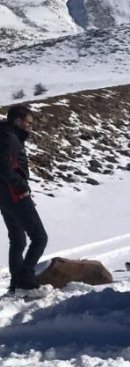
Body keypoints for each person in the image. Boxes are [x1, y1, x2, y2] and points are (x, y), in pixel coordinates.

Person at [0, 104, 47, 292]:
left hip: (4, 196)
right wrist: (20, 185)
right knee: (39, 237)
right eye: (29, 122)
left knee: (18, 240)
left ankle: (15, 285)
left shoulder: (5, 134)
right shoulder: (9, 138)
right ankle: (25, 282)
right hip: (14, 194)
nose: (30, 126)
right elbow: (2, 167)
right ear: (18, 121)